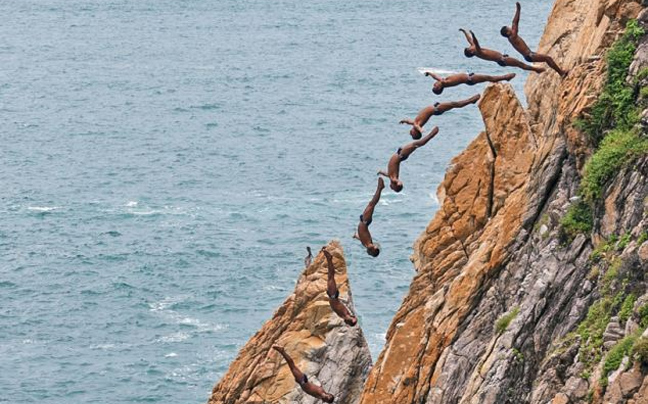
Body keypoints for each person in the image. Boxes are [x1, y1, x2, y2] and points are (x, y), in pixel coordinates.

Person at [500, 2, 567, 77]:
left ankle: (561, 72)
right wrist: (518, 9)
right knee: (548, 58)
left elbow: (514, 23)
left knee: (547, 59)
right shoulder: (513, 37)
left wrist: (518, 10)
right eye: (509, 28)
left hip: (530, 55)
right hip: (529, 55)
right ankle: (561, 73)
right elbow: (515, 23)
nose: (510, 28)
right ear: (508, 32)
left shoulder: (511, 38)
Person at [378, 126, 439, 192]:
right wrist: (399, 184)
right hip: (401, 155)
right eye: (393, 188)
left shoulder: (391, 177)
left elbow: (387, 174)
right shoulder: (394, 179)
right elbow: (398, 182)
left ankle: (431, 134)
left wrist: (381, 172)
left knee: (418, 144)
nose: (391, 188)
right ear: (395, 185)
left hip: (401, 155)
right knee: (418, 144)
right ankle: (432, 134)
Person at [460, 28, 545, 73]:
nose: (469, 46)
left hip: (502, 58)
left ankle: (536, 69)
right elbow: (476, 42)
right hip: (502, 60)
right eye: (469, 48)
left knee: (519, 64)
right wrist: (474, 35)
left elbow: (469, 40)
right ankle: (536, 70)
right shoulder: (478, 52)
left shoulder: (473, 47)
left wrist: (464, 32)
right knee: (520, 64)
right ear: (471, 52)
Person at [399, 94, 480, 139]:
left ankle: (471, 100)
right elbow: (417, 127)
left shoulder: (415, 123)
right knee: (455, 104)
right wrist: (421, 130)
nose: (410, 133)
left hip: (436, 109)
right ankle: (471, 100)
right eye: (412, 134)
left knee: (455, 104)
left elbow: (410, 122)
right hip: (437, 109)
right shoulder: (417, 125)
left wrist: (404, 121)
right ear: (416, 132)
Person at [321, 247, 358, 326]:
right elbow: (351, 319)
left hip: (333, 296)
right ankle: (329, 259)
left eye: (353, 319)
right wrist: (353, 319)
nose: (353, 318)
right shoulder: (345, 315)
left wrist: (352, 320)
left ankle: (329, 259)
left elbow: (350, 320)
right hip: (333, 295)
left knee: (331, 275)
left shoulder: (344, 317)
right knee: (331, 275)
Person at [353, 177, 384, 257]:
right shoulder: (370, 245)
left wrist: (356, 236)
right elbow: (372, 247)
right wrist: (375, 249)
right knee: (372, 204)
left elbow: (362, 239)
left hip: (364, 221)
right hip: (365, 221)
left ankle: (380, 188)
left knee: (371, 204)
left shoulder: (366, 245)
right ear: (373, 250)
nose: (368, 253)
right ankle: (380, 188)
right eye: (370, 253)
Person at [424, 71, 516, 95]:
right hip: (470, 79)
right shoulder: (444, 82)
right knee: (488, 77)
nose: (435, 84)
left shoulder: (444, 82)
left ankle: (504, 78)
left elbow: (436, 77)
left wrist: (429, 73)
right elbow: (437, 77)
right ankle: (506, 77)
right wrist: (430, 74)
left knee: (487, 78)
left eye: (434, 85)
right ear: (439, 88)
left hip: (470, 79)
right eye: (435, 86)